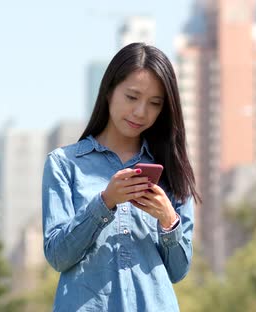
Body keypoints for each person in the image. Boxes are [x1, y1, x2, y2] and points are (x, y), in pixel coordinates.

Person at [42, 42, 200, 311]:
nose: (140, 112)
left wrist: (167, 220)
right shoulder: (64, 164)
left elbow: (178, 271)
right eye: (132, 97)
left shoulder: (171, 168)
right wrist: (105, 202)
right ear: (108, 90)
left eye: (154, 103)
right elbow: (58, 256)